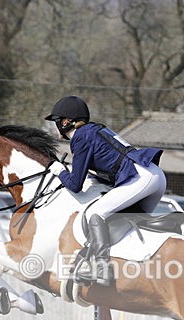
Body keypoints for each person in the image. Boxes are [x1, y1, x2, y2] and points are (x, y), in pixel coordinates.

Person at [44, 96, 166, 286]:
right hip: (154, 175)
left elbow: (75, 185)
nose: (55, 126)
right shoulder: (95, 129)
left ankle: (101, 268)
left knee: (95, 213)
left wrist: (59, 171)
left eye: (57, 121)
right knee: (124, 225)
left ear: (66, 122)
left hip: (140, 177)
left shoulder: (80, 137)